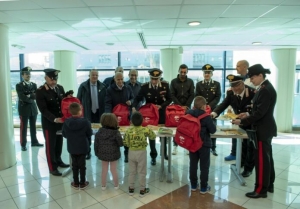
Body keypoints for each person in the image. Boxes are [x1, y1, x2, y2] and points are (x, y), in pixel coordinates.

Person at [232, 64, 277, 198]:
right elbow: (257, 110)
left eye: (252, 78)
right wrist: (246, 114)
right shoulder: (263, 88)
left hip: (262, 130)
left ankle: (260, 190)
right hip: (264, 128)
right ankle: (269, 184)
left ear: (260, 76)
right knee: (268, 159)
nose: (250, 80)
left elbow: (259, 113)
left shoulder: (265, 90)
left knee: (262, 161)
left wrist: (242, 121)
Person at [211, 75, 255, 177]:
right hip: (238, 122)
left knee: (250, 146)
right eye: (232, 86)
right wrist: (214, 113)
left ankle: (248, 168)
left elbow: (256, 110)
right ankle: (241, 163)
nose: (235, 89)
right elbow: (223, 104)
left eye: (237, 86)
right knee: (241, 144)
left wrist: (246, 116)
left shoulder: (253, 93)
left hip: (251, 122)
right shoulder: (231, 93)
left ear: (242, 83)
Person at [36, 68, 72, 176]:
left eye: (55, 79)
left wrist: (68, 97)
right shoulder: (40, 91)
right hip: (49, 123)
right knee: (50, 146)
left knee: (59, 143)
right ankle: (52, 167)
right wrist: (54, 119)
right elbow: (43, 110)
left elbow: (63, 103)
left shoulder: (59, 88)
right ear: (45, 78)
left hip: (61, 122)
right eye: (51, 79)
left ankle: (59, 160)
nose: (54, 81)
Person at [132, 68, 172, 166]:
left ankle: (164, 153)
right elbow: (138, 98)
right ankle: (153, 156)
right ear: (150, 77)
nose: (154, 81)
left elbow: (170, 99)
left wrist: (161, 106)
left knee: (164, 134)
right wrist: (133, 107)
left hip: (162, 113)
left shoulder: (165, 85)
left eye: (156, 79)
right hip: (150, 115)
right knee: (151, 135)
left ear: (159, 78)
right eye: (153, 79)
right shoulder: (145, 87)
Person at [123, 111, 156, 197]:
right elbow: (153, 136)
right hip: (141, 152)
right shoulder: (145, 130)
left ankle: (131, 188)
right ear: (143, 121)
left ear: (131, 121)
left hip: (131, 152)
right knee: (142, 171)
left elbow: (125, 143)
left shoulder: (128, 131)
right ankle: (142, 189)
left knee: (132, 171)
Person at [187, 96, 216, 194]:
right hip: (204, 144)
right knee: (204, 166)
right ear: (204, 106)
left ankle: (193, 185)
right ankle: (204, 187)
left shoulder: (188, 114)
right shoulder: (206, 116)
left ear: (194, 105)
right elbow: (213, 130)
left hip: (192, 144)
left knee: (193, 164)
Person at [77, 69, 106, 160]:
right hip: (87, 113)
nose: (95, 77)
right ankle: (87, 152)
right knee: (87, 134)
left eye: (96, 75)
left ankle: (99, 152)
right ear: (89, 75)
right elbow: (78, 100)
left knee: (100, 134)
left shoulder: (103, 86)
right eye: (93, 75)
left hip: (99, 113)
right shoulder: (83, 86)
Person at [62, 102, 92, 190]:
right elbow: (89, 134)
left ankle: (75, 182)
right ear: (80, 111)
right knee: (82, 165)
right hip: (83, 147)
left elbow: (64, 134)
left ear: (70, 112)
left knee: (74, 165)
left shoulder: (66, 122)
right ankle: (83, 182)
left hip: (72, 147)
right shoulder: (86, 122)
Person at [105, 72, 134, 163]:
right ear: (114, 79)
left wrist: (131, 101)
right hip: (115, 117)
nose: (120, 81)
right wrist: (109, 115)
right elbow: (108, 103)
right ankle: (115, 153)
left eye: (122, 79)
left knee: (126, 136)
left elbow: (133, 98)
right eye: (118, 79)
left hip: (126, 117)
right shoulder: (110, 89)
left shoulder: (128, 87)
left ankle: (126, 153)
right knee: (115, 135)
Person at [195, 64, 221, 156]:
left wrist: (209, 105)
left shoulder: (216, 84)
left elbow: (218, 97)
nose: (207, 74)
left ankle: (213, 148)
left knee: (212, 128)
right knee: (202, 128)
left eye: (209, 73)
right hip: (202, 110)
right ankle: (201, 145)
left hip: (212, 111)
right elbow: (197, 96)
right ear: (203, 74)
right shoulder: (199, 84)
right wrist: (204, 106)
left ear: (212, 74)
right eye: (205, 73)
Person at [16, 66, 43, 151]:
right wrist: (30, 96)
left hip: (33, 109)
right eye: (26, 74)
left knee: (33, 126)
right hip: (23, 109)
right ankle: (23, 144)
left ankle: (34, 142)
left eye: (29, 74)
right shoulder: (19, 85)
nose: (28, 75)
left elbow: (36, 96)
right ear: (22, 75)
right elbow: (21, 97)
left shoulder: (34, 85)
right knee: (23, 128)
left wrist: (29, 96)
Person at [170, 64, 195, 155]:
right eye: (181, 72)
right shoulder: (173, 82)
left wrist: (186, 106)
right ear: (178, 71)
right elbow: (172, 95)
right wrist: (180, 106)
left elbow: (192, 94)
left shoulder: (190, 82)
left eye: (185, 72)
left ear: (187, 72)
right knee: (176, 127)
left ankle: (186, 146)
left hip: (187, 108)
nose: (183, 74)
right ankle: (175, 146)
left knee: (187, 127)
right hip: (176, 108)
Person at [94, 113, 123, 190]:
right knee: (113, 169)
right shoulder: (116, 132)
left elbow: (96, 144)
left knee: (104, 169)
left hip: (103, 154)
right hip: (114, 154)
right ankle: (116, 185)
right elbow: (120, 144)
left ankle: (103, 186)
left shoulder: (98, 133)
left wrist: (97, 153)